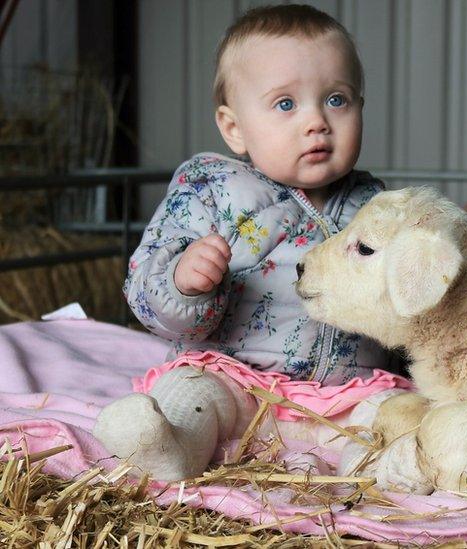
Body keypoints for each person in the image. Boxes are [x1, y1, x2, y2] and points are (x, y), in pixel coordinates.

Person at [125, 4, 398, 384]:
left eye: (336, 99)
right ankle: (167, 436)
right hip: (236, 383)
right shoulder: (210, 190)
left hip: (351, 394)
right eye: (285, 104)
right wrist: (181, 284)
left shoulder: (378, 207)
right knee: (190, 397)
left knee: (402, 419)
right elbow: (145, 296)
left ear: (361, 108)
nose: (317, 122)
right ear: (234, 128)